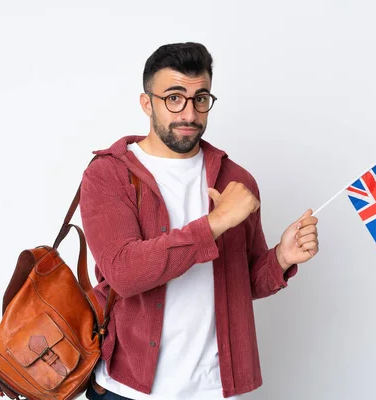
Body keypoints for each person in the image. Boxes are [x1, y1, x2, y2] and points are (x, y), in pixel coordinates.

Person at [79, 42, 319, 400]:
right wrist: (215, 223)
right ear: (147, 103)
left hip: (215, 389)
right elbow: (124, 274)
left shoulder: (236, 181)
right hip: (128, 389)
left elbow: (246, 282)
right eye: (174, 98)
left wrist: (282, 258)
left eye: (200, 98)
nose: (189, 114)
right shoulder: (109, 175)